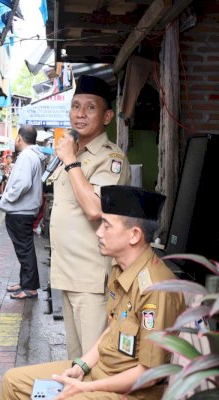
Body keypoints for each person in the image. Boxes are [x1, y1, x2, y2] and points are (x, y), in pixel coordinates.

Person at [1, 185, 185, 400]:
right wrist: (81, 365)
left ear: (134, 235)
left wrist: (85, 389)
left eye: (106, 225)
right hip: (99, 374)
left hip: (129, 392)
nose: (98, 232)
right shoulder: (120, 269)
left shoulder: (156, 289)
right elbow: (113, 329)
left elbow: (150, 374)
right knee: (13, 381)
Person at [50, 74, 131, 359]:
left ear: (107, 116)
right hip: (68, 273)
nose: (80, 114)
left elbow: (95, 209)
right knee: (75, 359)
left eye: (90, 108)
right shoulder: (76, 151)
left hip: (91, 279)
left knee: (93, 363)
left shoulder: (109, 159)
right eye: (75, 106)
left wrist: (71, 161)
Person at [0, 125, 46, 300]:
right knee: (24, 249)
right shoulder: (34, 155)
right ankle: (25, 282)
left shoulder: (27, 156)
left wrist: (6, 199)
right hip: (25, 210)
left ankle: (30, 288)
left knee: (25, 249)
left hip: (21, 211)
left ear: (19, 138)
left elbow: (22, 183)